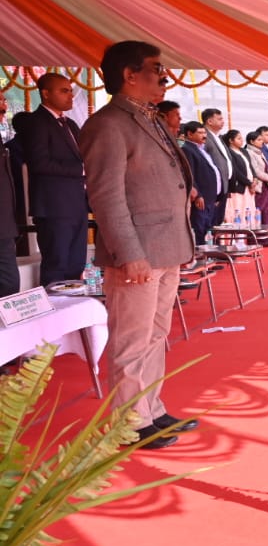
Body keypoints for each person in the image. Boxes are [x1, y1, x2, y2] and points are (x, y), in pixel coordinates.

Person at [80, 40, 198, 450]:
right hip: (139, 252)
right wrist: (130, 253)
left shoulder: (147, 117)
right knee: (131, 340)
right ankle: (129, 424)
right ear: (129, 75)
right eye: (156, 69)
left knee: (155, 335)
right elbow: (106, 197)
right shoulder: (107, 124)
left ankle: (152, 409)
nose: (165, 77)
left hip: (167, 246)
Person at [16, 72, 88, 285]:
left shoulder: (70, 124)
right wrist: (81, 170)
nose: (70, 96)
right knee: (57, 264)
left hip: (76, 204)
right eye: (64, 91)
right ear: (46, 94)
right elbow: (39, 163)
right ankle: (54, 304)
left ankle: (75, 304)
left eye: (71, 91)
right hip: (53, 206)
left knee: (76, 264)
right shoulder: (36, 122)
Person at [180, 121, 221, 243]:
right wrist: (198, 195)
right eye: (200, 133)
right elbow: (189, 174)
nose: (204, 136)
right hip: (201, 198)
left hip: (210, 197)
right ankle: (200, 253)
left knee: (208, 230)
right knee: (199, 229)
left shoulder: (201, 149)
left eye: (205, 133)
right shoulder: (187, 149)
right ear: (189, 134)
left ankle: (208, 252)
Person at [0, 94, 20, 296]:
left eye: (4, 101)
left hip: (5, 224)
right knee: (8, 284)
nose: (4, 107)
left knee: (10, 287)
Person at [200, 108, 232, 225]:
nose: (223, 121)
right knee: (211, 221)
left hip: (224, 184)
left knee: (218, 220)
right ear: (209, 121)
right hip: (213, 186)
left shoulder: (217, 137)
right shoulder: (204, 136)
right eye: (219, 119)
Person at [245, 129, 268, 226]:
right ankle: (259, 234)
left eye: (262, 140)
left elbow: (267, 168)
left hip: (265, 186)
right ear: (251, 141)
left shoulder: (259, 152)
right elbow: (256, 171)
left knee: (267, 211)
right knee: (259, 210)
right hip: (258, 187)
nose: (262, 142)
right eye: (259, 140)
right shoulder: (249, 152)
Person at [223, 129, 254, 222]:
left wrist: (255, 179)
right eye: (238, 138)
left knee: (249, 210)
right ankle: (239, 229)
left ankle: (249, 228)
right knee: (239, 210)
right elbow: (235, 171)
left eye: (242, 138)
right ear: (231, 140)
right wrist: (248, 183)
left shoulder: (244, 151)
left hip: (250, 187)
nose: (242, 140)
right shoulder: (229, 152)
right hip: (239, 186)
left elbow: (250, 166)